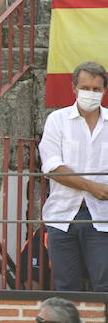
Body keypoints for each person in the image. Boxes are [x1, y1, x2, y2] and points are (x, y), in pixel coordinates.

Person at [38, 60, 108, 292]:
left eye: (96, 89)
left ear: (104, 91)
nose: (91, 93)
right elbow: (52, 166)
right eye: (85, 88)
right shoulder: (57, 121)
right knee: (67, 287)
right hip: (62, 216)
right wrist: (91, 187)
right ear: (74, 88)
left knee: (104, 287)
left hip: (102, 218)